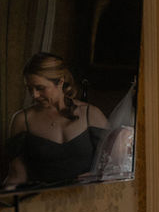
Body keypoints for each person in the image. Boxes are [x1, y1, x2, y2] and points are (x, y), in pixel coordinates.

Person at [3, 53, 108, 187]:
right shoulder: (22, 120)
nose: (34, 95)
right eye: (30, 88)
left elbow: (114, 166)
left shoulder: (91, 115)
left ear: (60, 81)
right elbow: (17, 176)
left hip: (87, 196)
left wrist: (98, 175)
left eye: (40, 88)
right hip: (41, 197)